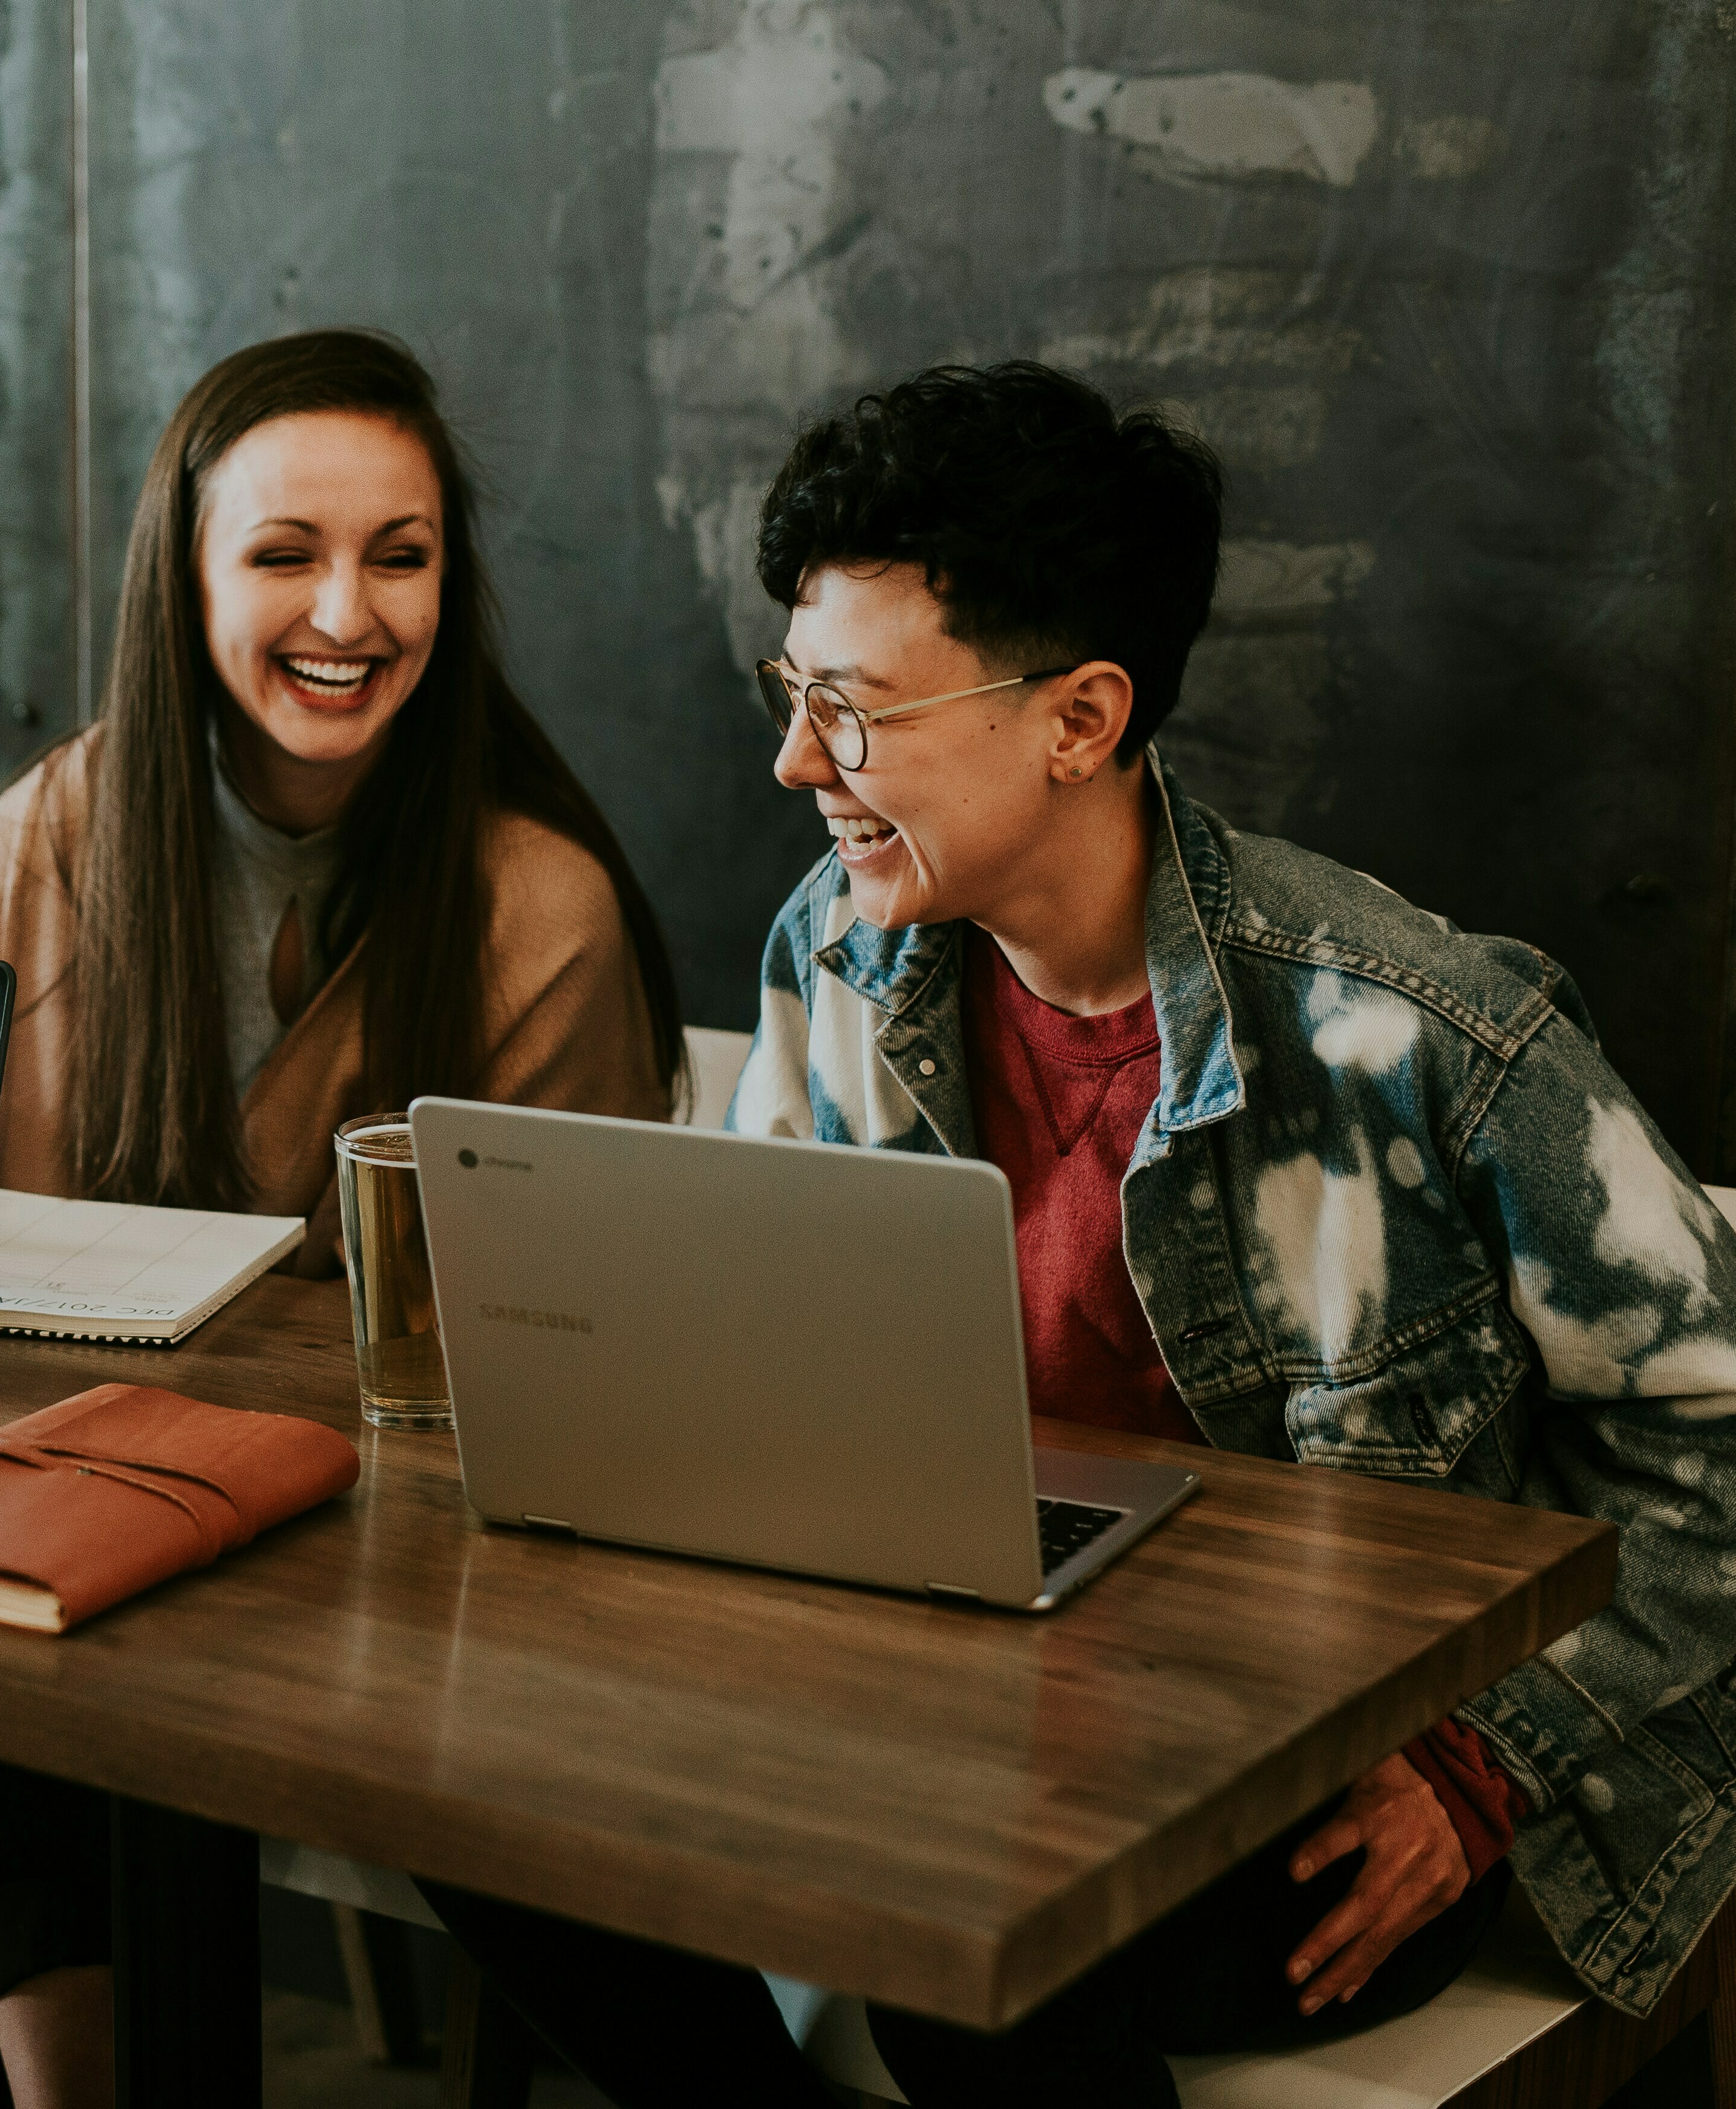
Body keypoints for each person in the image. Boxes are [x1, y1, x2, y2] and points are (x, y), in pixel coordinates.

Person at [419, 360, 1736, 2107]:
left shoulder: (1417, 1036)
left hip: (1311, 1770)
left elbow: (1711, 1441)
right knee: (468, 1797)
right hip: (953, 1709)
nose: (797, 758)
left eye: (856, 709)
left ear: (1081, 718)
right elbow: (766, 1393)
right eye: (792, 692)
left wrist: (1484, 1767)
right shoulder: (838, 953)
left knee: (976, 1946)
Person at [0, 329, 680, 2109]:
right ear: (189, 578)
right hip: (92, 1522)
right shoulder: (79, 818)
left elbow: (566, 1360)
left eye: (402, 555)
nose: (350, 611)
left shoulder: (535, 907)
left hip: (399, 1580)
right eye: (286, 553)